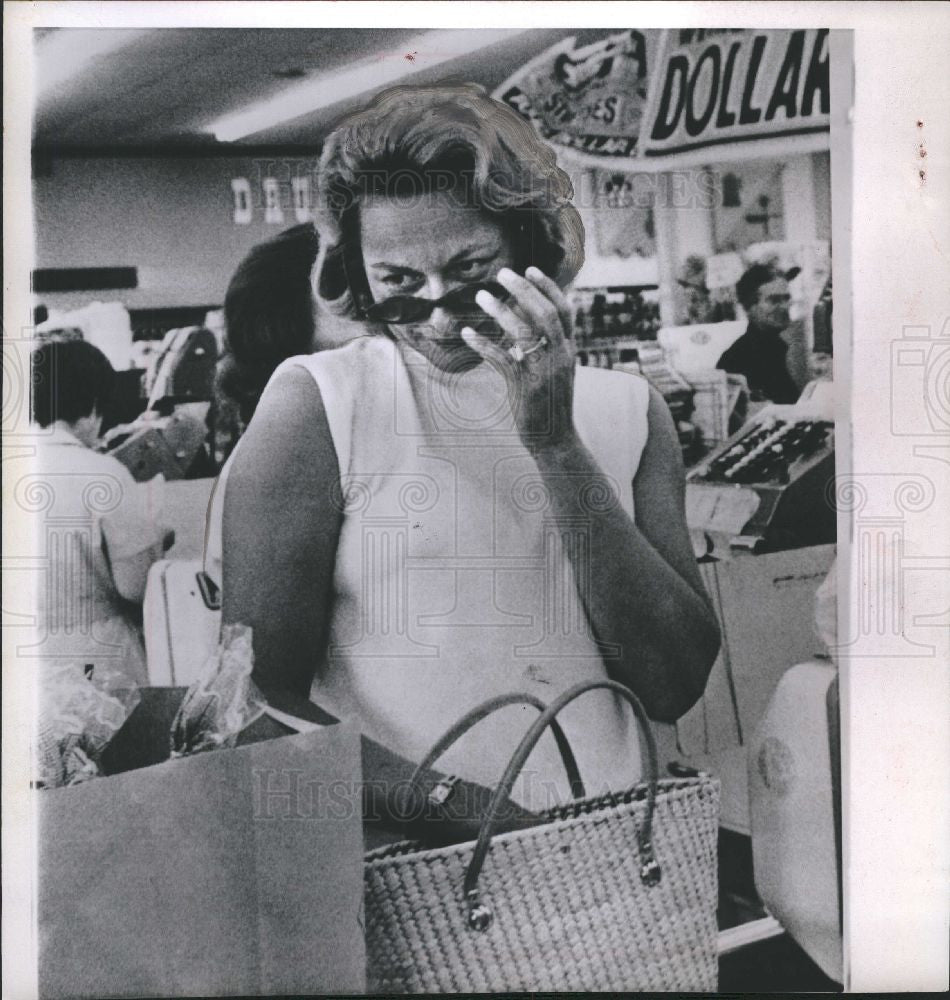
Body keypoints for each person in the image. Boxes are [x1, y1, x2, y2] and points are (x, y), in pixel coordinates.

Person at [216, 84, 720, 807]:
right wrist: (446, 803)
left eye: (470, 272)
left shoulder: (630, 412)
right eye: (397, 281)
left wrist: (553, 443)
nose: (438, 316)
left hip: (615, 854)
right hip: (418, 871)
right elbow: (249, 701)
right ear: (356, 272)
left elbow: (675, 683)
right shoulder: (322, 406)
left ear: (527, 244)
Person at [28, 340, 172, 684]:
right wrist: (154, 543)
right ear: (93, 405)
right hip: (96, 659)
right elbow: (135, 587)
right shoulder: (102, 475)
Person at [717, 263, 802, 403]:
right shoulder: (736, 359)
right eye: (774, 300)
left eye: (786, 298)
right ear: (749, 307)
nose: (785, 306)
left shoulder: (778, 348)